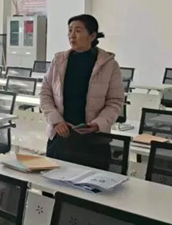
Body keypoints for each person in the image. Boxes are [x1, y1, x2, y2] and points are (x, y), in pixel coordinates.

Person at [40, 14, 124, 170]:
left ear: (92, 36)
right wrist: (56, 120)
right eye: (70, 30)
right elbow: (45, 93)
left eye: (78, 31)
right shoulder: (58, 61)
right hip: (61, 135)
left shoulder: (109, 65)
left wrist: (98, 124)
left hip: (94, 139)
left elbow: (115, 101)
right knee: (56, 181)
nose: (72, 35)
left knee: (92, 183)